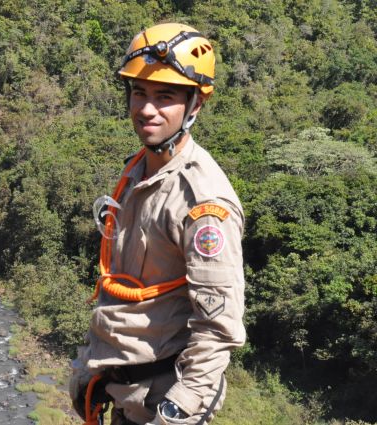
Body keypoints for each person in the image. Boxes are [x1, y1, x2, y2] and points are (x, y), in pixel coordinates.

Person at [69, 23, 246, 425]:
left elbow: (219, 326)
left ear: (195, 105)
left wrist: (180, 406)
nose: (147, 109)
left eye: (164, 97)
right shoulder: (137, 172)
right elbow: (121, 289)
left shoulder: (202, 203)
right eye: (139, 93)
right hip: (124, 388)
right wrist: (89, 367)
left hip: (164, 396)